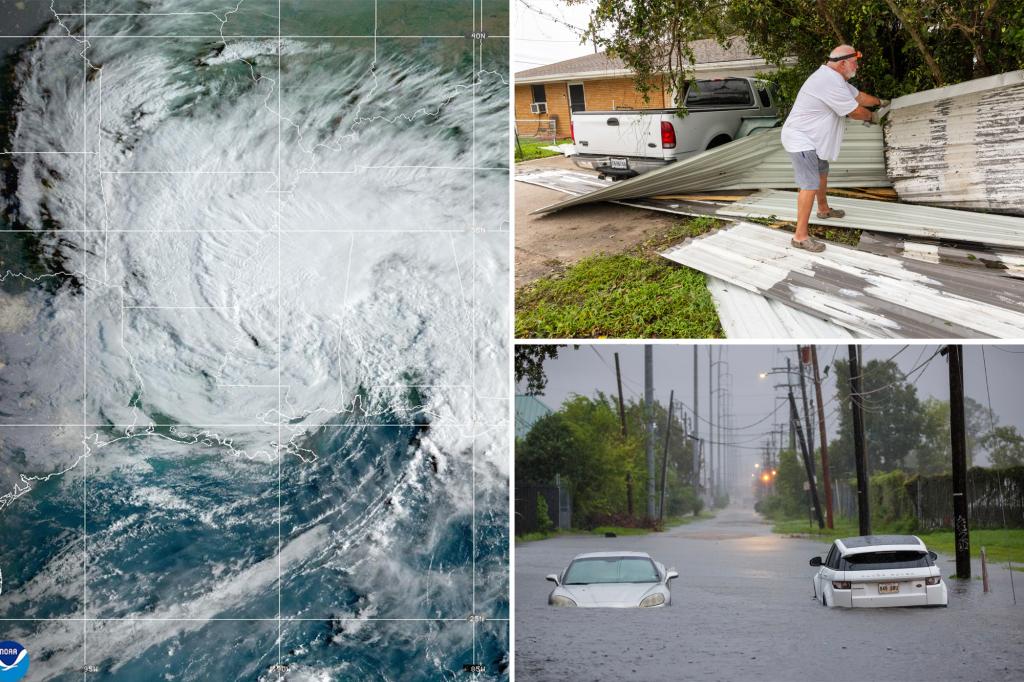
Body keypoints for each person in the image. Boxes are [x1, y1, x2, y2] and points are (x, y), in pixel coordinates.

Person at [780, 45, 888, 252]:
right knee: (809, 184)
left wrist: (881, 102)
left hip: (813, 139)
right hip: (800, 139)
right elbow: (856, 111)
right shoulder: (827, 81)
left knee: (822, 173)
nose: (857, 65)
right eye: (855, 62)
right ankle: (800, 237)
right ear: (842, 63)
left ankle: (823, 209)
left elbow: (860, 98)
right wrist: (873, 116)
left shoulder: (836, 79)